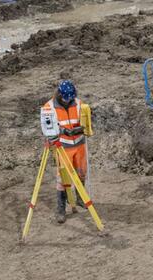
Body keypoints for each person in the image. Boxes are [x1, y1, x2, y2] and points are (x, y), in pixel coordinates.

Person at [40, 80, 91, 224]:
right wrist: (64, 131)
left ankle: (79, 198)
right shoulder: (49, 107)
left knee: (81, 172)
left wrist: (81, 128)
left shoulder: (79, 103)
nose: (69, 101)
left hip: (79, 144)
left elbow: (85, 122)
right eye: (66, 99)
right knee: (63, 178)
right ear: (60, 95)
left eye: (71, 98)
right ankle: (61, 208)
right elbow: (47, 127)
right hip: (63, 147)